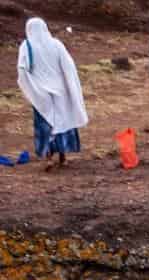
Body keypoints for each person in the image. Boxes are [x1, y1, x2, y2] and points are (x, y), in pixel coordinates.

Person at [17, 18, 86, 169]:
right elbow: (68, 66)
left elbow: (22, 68)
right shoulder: (56, 44)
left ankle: (48, 158)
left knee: (46, 124)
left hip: (41, 93)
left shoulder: (26, 46)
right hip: (60, 91)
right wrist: (70, 86)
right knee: (63, 122)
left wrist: (31, 87)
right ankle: (63, 157)